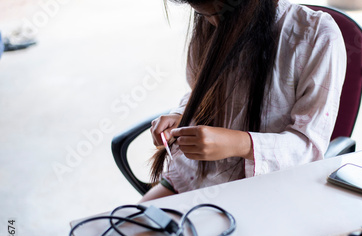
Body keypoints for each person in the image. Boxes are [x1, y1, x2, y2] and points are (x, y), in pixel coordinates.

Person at [140, 0, 347, 202]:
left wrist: (239, 144)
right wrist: (182, 114)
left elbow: (308, 149)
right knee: (120, 231)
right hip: (194, 178)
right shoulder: (207, 26)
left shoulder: (316, 37)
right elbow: (200, 92)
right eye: (204, 14)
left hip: (264, 193)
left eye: (221, 14)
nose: (215, 24)